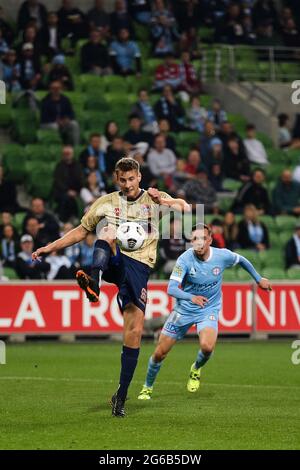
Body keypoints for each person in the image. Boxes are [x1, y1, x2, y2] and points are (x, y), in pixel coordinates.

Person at [32, 157, 190, 417]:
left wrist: (166, 202)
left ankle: (122, 394)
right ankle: (95, 281)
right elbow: (81, 231)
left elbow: (184, 208)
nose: (127, 184)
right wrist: (50, 247)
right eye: (123, 180)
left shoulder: (154, 198)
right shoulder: (105, 203)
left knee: (134, 331)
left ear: (139, 177)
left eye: (131, 179)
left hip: (140, 267)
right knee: (105, 233)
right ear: (117, 179)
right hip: (117, 259)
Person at [137, 223, 272, 400]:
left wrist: (258, 279)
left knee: (207, 347)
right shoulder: (184, 260)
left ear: (209, 240)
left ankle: (196, 368)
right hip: (183, 311)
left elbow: (242, 260)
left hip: (208, 308)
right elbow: (171, 288)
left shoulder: (222, 255)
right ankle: (147, 387)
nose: (198, 243)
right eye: (194, 239)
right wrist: (190, 297)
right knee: (160, 353)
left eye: (202, 238)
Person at [40, 80, 80, 146]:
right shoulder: (45, 101)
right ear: (50, 89)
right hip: (48, 124)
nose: (56, 90)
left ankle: (75, 146)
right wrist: (56, 121)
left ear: (61, 89)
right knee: (55, 126)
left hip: (63, 123)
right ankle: (57, 145)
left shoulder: (65, 100)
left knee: (74, 124)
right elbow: (44, 118)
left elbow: (71, 113)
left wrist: (67, 119)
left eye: (58, 88)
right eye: (54, 88)